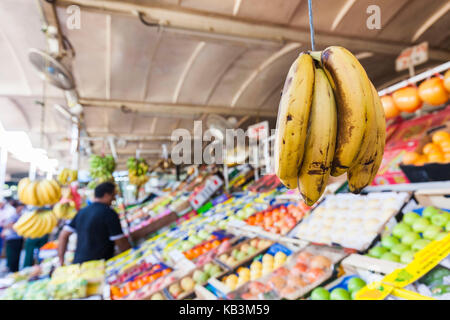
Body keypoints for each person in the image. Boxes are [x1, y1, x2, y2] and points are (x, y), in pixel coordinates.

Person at [58, 182, 131, 265]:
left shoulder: (82, 212)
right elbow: (121, 242)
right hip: (101, 266)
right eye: (113, 196)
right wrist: (132, 257)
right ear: (106, 195)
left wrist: (61, 260)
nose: (114, 199)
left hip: (79, 265)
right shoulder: (109, 213)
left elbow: (63, 235)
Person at [1, 201, 24, 272]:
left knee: (17, 256)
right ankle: (12, 270)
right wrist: (20, 229)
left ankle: (15, 270)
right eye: (21, 206)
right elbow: (9, 225)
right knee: (13, 256)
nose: (22, 208)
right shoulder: (13, 215)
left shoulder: (20, 215)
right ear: (17, 207)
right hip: (12, 238)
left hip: (18, 238)